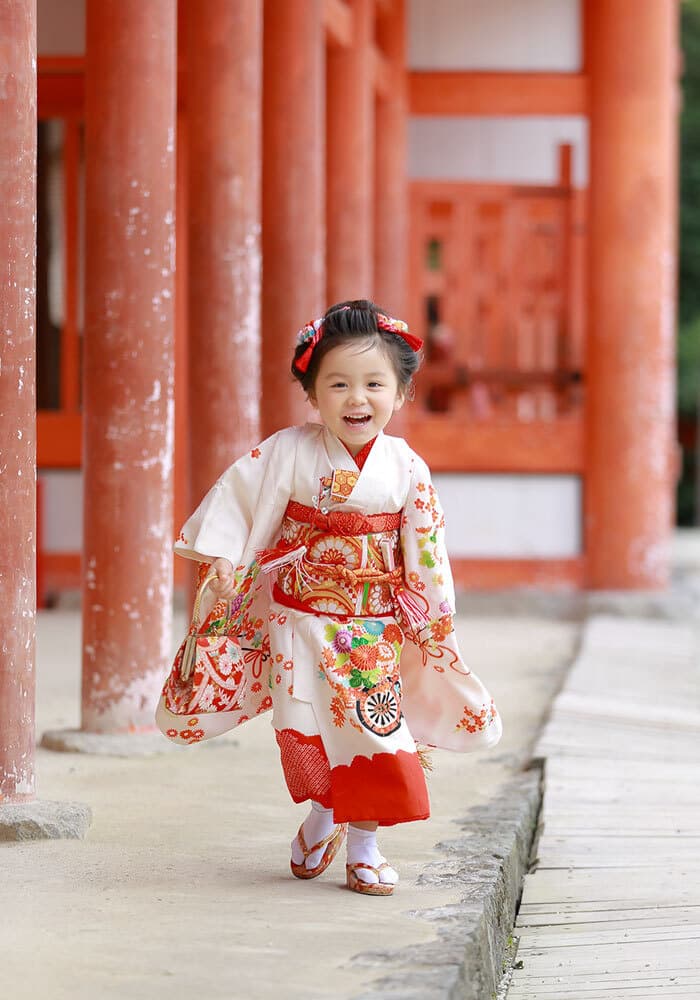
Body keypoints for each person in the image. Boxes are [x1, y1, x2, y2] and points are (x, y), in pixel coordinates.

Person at [157, 299, 502, 896]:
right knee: (308, 729)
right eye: (338, 384)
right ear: (313, 395)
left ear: (401, 395)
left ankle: (364, 843)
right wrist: (223, 554)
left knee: (375, 733)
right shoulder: (288, 451)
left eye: (374, 384)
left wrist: (432, 618)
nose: (356, 399)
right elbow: (239, 503)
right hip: (298, 619)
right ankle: (322, 813)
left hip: (371, 627)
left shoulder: (406, 468)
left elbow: (426, 548)